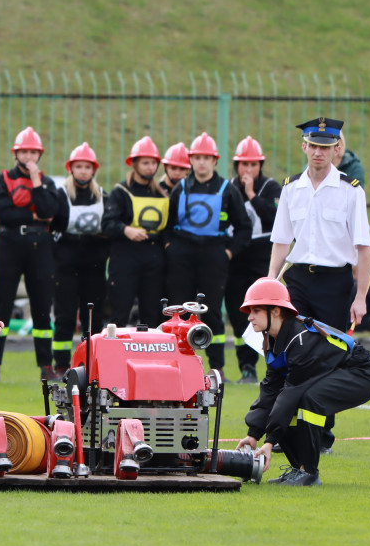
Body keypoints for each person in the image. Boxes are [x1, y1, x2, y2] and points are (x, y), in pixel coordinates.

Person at [236, 278, 370, 486]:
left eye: (256, 310)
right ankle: (299, 470)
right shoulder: (272, 338)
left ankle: (308, 473)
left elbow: (292, 391)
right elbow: (271, 387)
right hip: (338, 371)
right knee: (289, 401)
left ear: (275, 311)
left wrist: (269, 441)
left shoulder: (301, 339)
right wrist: (253, 434)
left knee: (309, 399)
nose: (249, 317)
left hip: (362, 372)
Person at [268, 117, 370, 332]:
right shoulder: (290, 188)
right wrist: (270, 282)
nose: (318, 152)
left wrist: (360, 297)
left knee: (329, 350)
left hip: (334, 282)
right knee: (293, 344)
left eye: (325, 147)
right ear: (304, 146)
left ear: (337, 149)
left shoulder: (351, 191)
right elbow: (281, 241)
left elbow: (363, 247)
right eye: (313, 145)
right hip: (298, 279)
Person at [165, 132, 252, 377]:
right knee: (178, 311)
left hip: (214, 254)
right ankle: (177, 365)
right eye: (197, 158)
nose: (201, 162)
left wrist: (228, 252)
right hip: (182, 253)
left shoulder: (227, 190)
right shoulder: (180, 188)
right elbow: (168, 226)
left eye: (206, 158)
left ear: (215, 161)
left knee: (212, 311)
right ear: (191, 161)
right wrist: (170, 248)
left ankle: (217, 367)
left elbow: (243, 226)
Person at [0, 126, 60, 381]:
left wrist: (36, 181)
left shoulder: (47, 182)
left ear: (39, 154)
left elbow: (50, 210)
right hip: (9, 246)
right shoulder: (3, 178)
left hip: (41, 247)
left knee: (42, 308)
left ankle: (45, 366)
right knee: (2, 308)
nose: (29, 156)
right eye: (24, 151)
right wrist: (32, 215)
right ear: (15, 153)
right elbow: (4, 212)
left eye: (33, 152)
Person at [224, 136, 279, 384]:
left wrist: (251, 195)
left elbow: (276, 217)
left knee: (264, 312)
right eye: (244, 164)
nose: (248, 169)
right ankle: (246, 365)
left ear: (261, 165)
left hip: (261, 255)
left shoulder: (271, 187)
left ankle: (268, 363)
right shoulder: (227, 188)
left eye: (253, 164)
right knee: (239, 313)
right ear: (236, 166)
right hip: (236, 255)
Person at [50, 142, 109, 376]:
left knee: (92, 320)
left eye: (87, 167)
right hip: (65, 266)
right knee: (64, 317)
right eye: (78, 166)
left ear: (93, 170)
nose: (83, 171)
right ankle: (61, 364)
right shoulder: (60, 195)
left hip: (94, 267)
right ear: (70, 169)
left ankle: (92, 363)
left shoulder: (103, 195)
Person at [102, 136, 169, 328]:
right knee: (119, 315)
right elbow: (106, 224)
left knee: (152, 315)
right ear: (134, 164)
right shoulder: (120, 192)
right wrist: (126, 230)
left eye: (153, 163)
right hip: (125, 256)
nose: (150, 167)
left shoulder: (162, 194)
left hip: (154, 258)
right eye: (145, 163)